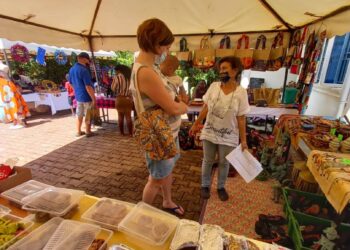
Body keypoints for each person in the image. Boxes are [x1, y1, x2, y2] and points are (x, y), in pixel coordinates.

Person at [130, 18, 188, 215]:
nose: (166, 51)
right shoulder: (146, 72)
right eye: (165, 46)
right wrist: (184, 107)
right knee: (156, 178)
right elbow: (172, 108)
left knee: (165, 173)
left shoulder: (149, 68)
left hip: (167, 134)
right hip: (160, 137)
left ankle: (167, 201)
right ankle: (143, 213)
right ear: (155, 43)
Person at [190, 56, 250, 201]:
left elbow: (241, 118)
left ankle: (221, 187)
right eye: (220, 69)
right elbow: (205, 107)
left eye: (225, 69)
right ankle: (205, 185)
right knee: (208, 160)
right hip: (210, 131)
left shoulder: (241, 92)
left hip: (229, 135)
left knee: (224, 162)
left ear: (235, 71)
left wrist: (244, 141)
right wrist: (196, 123)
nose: (221, 72)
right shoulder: (214, 87)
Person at [68, 52, 96, 137]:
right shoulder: (84, 70)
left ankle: (78, 131)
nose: (88, 61)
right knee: (88, 114)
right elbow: (88, 86)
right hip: (86, 96)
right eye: (88, 59)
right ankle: (88, 131)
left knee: (79, 114)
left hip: (78, 96)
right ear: (84, 59)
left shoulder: (72, 69)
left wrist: (76, 90)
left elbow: (70, 83)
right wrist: (94, 98)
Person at [0, 63, 30, 128]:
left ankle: (20, 123)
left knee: (15, 108)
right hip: (11, 96)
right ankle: (19, 122)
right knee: (16, 108)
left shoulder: (4, 81)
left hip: (10, 97)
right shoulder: (5, 81)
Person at [111, 64, 133, 136]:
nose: (115, 73)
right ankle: (130, 133)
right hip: (128, 99)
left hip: (119, 99)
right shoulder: (130, 77)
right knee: (128, 116)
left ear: (119, 70)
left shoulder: (117, 77)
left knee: (120, 116)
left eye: (116, 71)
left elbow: (113, 88)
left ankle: (122, 133)